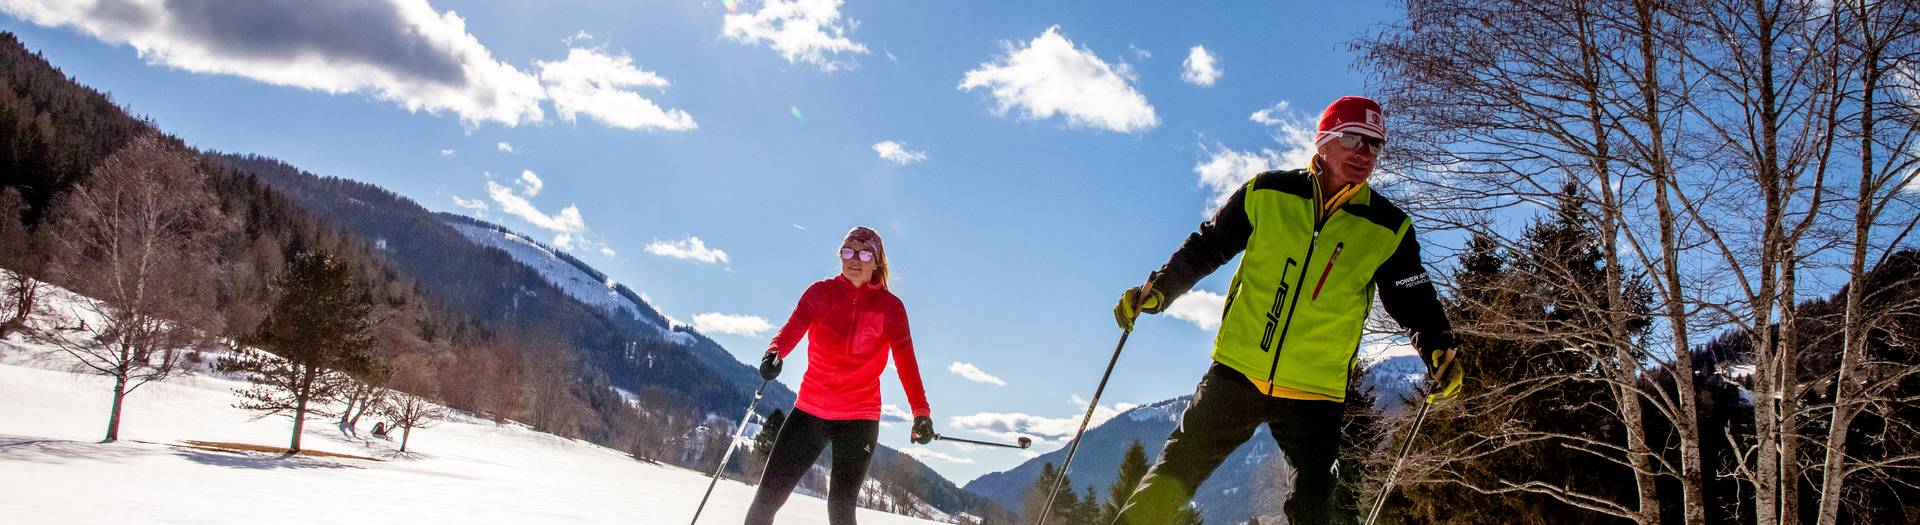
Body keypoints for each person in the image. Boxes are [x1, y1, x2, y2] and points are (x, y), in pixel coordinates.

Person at [1109, 96, 1462, 525]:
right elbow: (1208, 246)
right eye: (1354, 139)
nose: (1364, 153)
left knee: (1314, 509)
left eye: (1375, 145)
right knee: (1172, 478)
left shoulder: (1388, 227)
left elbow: (1411, 295)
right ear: (1324, 141)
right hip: (1238, 370)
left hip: (1316, 390)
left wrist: (1436, 345)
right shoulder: (1267, 192)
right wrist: (1160, 289)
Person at [746, 226, 935, 525]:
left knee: (841, 508)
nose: (854, 259)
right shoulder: (821, 293)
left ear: (877, 261)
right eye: (847, 251)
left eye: (863, 253)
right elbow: (794, 326)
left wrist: (921, 413)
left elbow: (906, 363)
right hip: (810, 410)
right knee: (767, 498)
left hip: (858, 419)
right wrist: (775, 352)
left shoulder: (891, 309)